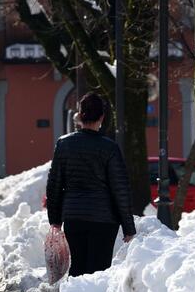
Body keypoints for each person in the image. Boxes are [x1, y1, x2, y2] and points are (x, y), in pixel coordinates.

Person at [45, 92, 135, 277]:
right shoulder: (109, 148)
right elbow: (120, 189)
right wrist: (128, 227)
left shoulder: (64, 144)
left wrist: (55, 220)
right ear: (102, 117)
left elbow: (54, 184)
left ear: (80, 114)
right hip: (104, 219)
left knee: (77, 267)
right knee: (99, 272)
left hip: (74, 216)